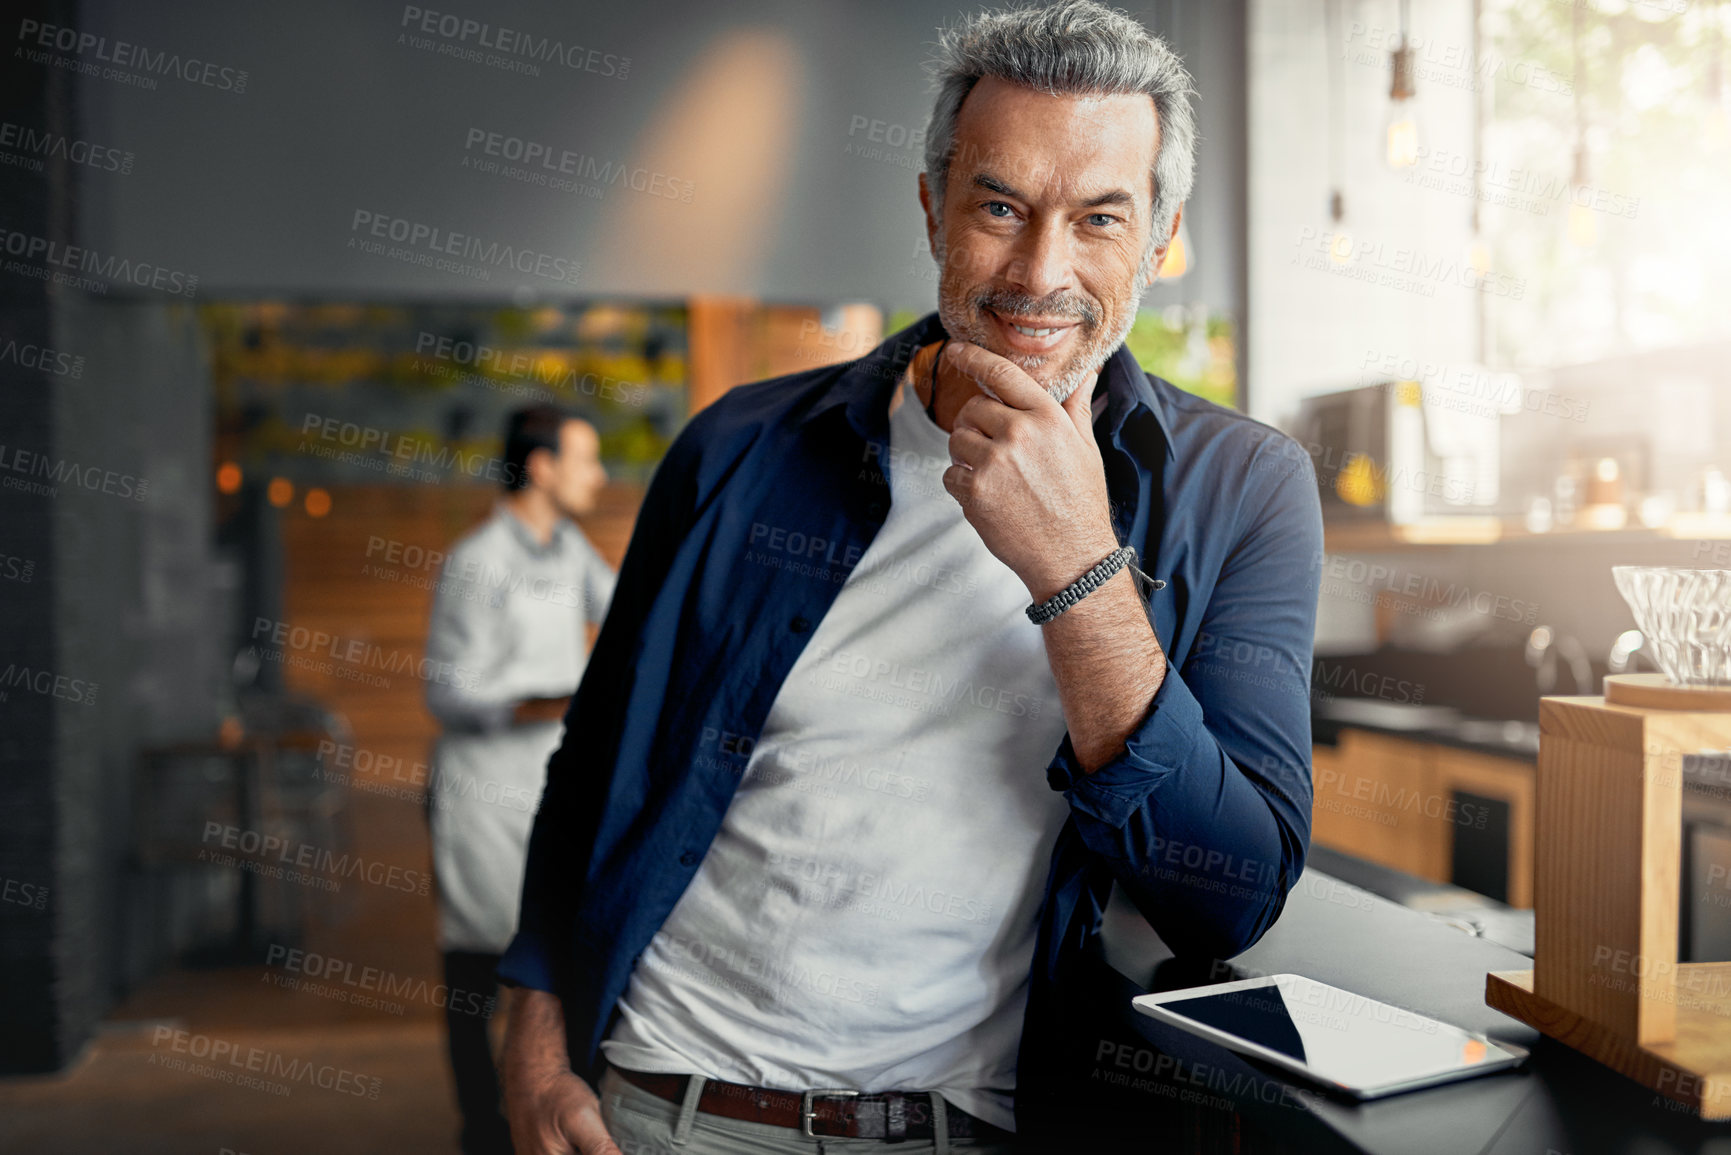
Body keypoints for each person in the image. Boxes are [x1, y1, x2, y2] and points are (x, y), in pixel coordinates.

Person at [499, 3, 1323, 1152]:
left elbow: (1228, 894)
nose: (1041, 272)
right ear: (933, 206)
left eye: (1099, 218)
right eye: (999, 206)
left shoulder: (1246, 491)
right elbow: (597, 761)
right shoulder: (737, 449)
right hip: (661, 1103)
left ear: (1161, 236)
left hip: (953, 1129)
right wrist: (532, 1038)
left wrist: (1078, 567)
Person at [424, 405, 618, 1155]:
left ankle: (537, 1111)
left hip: (546, 788)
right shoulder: (476, 560)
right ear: (540, 467)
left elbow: (628, 614)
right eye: (585, 459)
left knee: (543, 953)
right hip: (479, 790)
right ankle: (480, 1130)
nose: (597, 476)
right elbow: (446, 694)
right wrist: (562, 698)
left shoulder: (569, 550)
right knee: (476, 966)